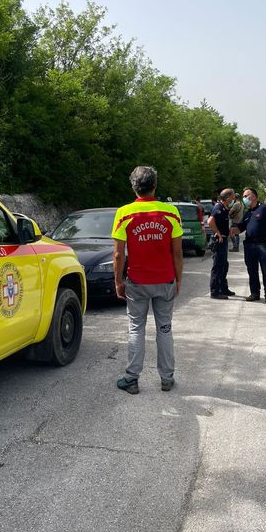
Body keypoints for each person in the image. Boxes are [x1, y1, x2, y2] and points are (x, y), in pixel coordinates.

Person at [112, 166, 184, 394]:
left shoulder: (124, 213)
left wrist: (118, 282)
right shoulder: (170, 213)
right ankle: (167, 378)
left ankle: (131, 379)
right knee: (164, 329)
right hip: (165, 280)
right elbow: (177, 253)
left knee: (136, 328)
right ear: (155, 186)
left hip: (138, 282)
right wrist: (179, 279)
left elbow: (117, 254)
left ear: (134, 187)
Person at [231, 187, 266, 305]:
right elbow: (241, 228)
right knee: (252, 271)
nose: (244, 198)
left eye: (246, 196)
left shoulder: (265, 208)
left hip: (263, 245)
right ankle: (255, 293)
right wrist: (231, 231)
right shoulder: (248, 213)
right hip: (249, 246)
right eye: (244, 196)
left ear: (254, 196)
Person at [208, 188, 236, 299]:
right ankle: (215, 291)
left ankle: (223, 288)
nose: (234, 198)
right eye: (233, 196)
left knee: (224, 265)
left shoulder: (224, 208)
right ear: (228, 197)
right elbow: (210, 221)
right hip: (219, 241)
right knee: (218, 266)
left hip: (224, 240)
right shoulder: (218, 207)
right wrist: (218, 233)